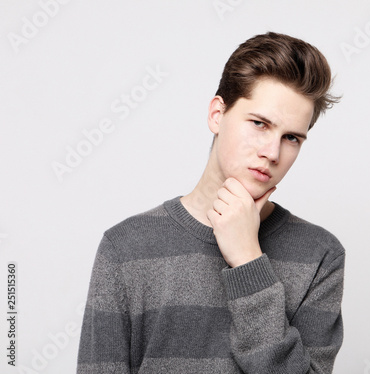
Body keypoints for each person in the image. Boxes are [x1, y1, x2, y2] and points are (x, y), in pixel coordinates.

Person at [77, 31, 345, 374]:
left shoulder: (320, 255)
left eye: (291, 137)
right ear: (217, 114)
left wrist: (248, 260)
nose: (272, 153)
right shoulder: (126, 247)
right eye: (260, 124)